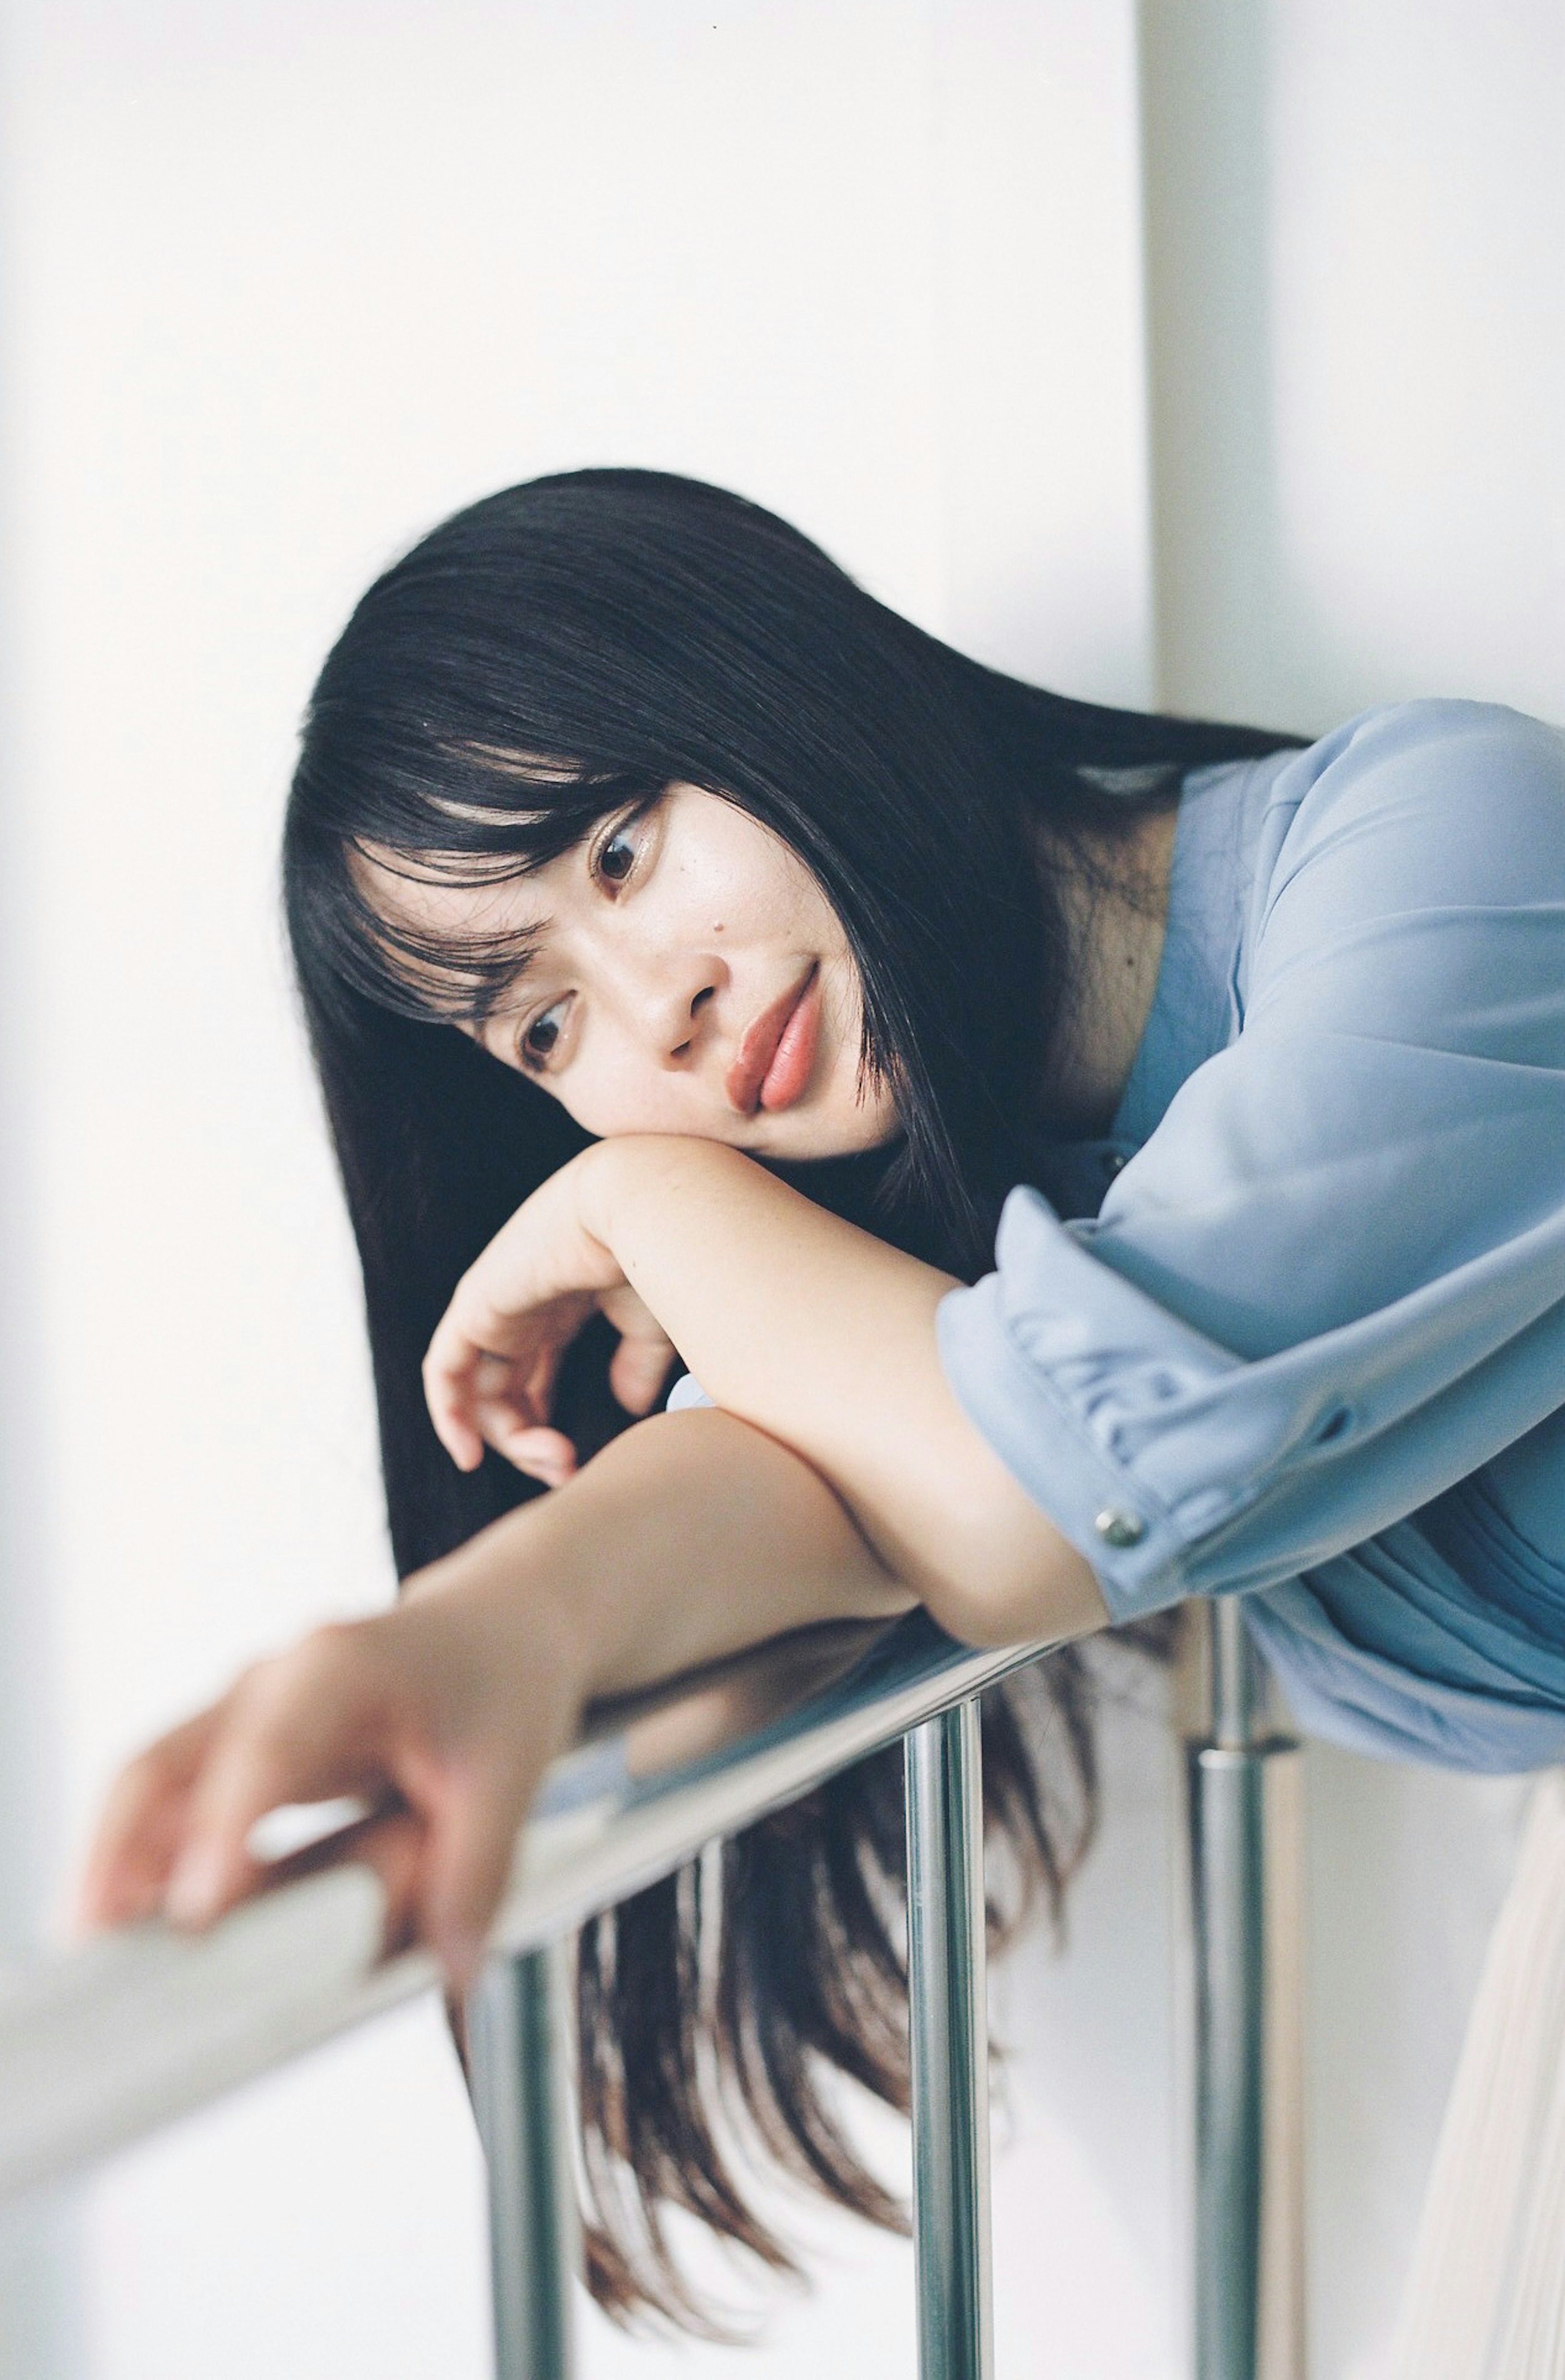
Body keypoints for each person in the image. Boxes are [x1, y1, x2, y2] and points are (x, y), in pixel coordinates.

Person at [79, 468, 1565, 2328]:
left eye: (620, 853)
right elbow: (796, 1499)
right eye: (546, 1030)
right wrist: (476, 1645)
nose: (658, 1011)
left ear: (765, 665)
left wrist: (648, 1193)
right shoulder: (909, 1288)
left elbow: (1042, 1495)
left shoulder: (1449, 843)